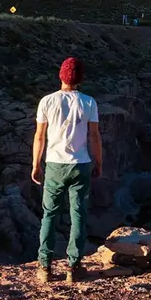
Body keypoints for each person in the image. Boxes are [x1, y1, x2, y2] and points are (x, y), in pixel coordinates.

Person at [31, 56, 103, 284]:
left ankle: (45, 267)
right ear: (80, 78)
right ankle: (74, 267)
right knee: (78, 214)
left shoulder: (47, 101)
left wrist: (35, 164)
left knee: (49, 215)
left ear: (60, 76)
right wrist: (99, 162)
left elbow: (39, 136)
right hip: (80, 164)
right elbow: (94, 136)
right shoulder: (89, 102)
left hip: (54, 164)